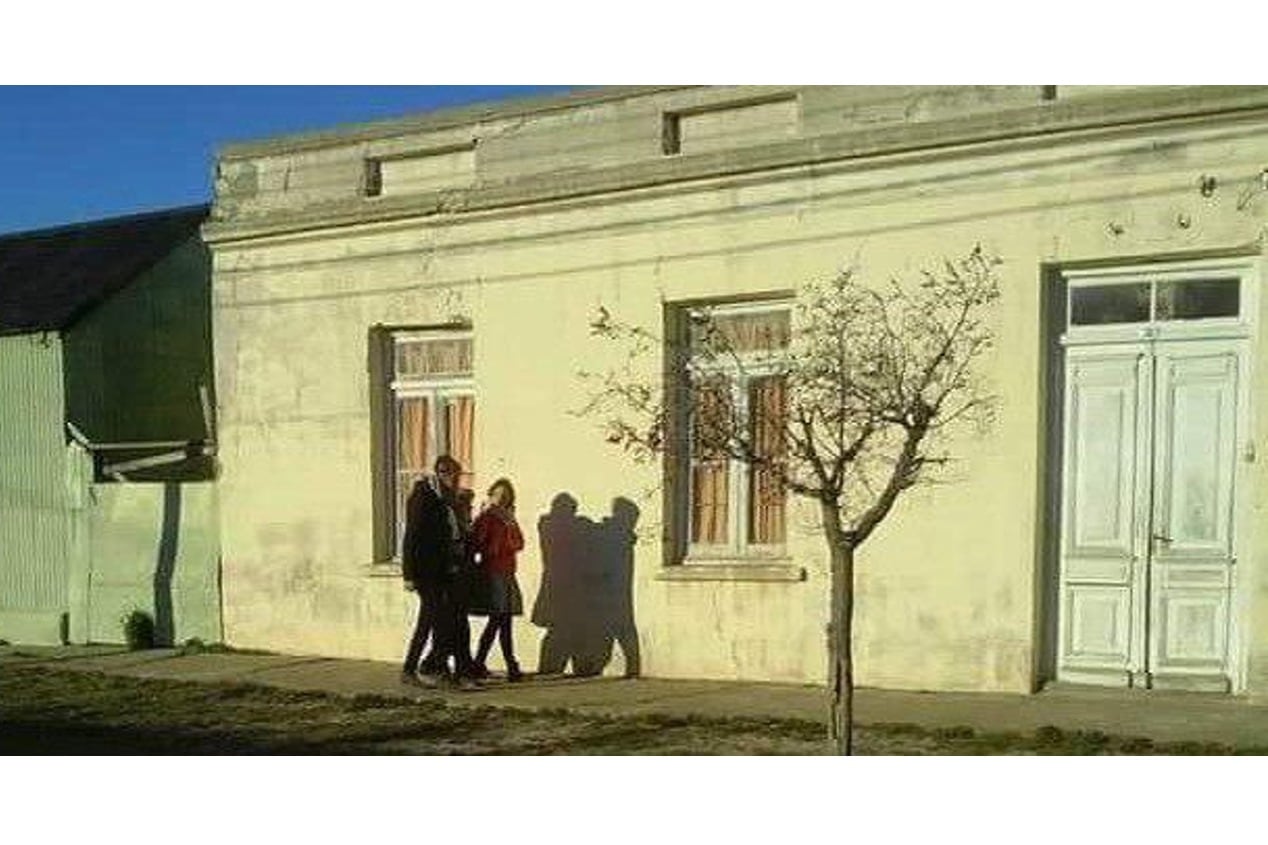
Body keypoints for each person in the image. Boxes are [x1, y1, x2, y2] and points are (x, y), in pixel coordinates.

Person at [401, 454, 477, 687]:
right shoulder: (425, 495)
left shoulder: (453, 500)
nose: (451, 477)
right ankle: (416, 668)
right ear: (437, 473)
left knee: (449, 620)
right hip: (427, 570)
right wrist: (409, 574)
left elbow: (458, 533)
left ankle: (444, 668)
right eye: (445, 472)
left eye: (454, 472)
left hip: (450, 568)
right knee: (431, 619)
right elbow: (411, 535)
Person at [471, 478, 526, 682]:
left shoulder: (509, 518)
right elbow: (479, 542)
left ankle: (485, 662)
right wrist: (498, 546)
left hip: (507, 572)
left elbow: (520, 543)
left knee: (503, 620)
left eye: (505, 496)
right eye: (498, 495)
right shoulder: (487, 517)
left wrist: (508, 538)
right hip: (493, 571)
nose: (501, 499)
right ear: (491, 495)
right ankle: (507, 664)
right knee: (499, 619)